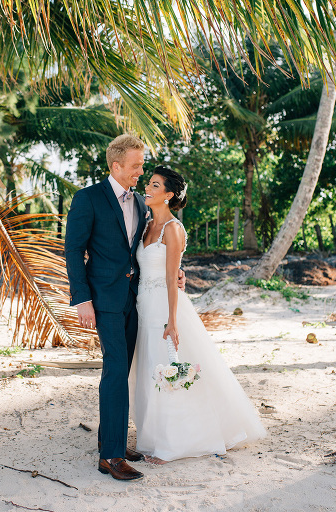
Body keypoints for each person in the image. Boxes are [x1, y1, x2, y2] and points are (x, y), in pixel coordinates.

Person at [64, 135, 185, 481]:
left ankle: (110, 438)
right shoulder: (87, 199)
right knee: (116, 369)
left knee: (122, 370)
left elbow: (148, 248)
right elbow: (74, 251)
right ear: (116, 166)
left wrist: (175, 271)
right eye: (136, 165)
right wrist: (82, 299)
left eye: (142, 165)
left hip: (136, 300)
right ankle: (111, 457)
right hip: (103, 300)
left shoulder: (142, 205)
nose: (140, 171)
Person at [128, 166, 267, 464]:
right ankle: (153, 436)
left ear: (168, 195)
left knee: (169, 369)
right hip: (142, 306)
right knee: (150, 371)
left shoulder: (174, 229)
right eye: (148, 184)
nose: (147, 189)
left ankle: (175, 445)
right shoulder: (146, 225)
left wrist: (173, 322)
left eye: (154, 185)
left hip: (164, 308)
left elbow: (169, 279)